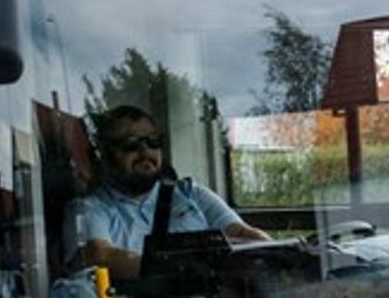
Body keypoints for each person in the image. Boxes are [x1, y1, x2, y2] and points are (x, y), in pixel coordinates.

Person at [69, 105, 268, 281]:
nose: (145, 151)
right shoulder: (90, 208)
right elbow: (100, 256)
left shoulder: (191, 194)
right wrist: (190, 267)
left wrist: (282, 255)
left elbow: (242, 233)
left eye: (153, 141)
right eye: (130, 143)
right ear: (105, 156)